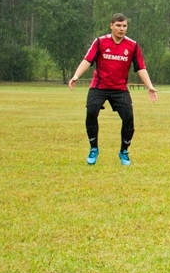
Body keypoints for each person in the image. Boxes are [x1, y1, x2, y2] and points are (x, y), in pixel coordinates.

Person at [68, 13, 158, 166]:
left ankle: (124, 151)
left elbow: (140, 67)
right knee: (91, 112)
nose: (121, 29)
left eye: (124, 26)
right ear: (111, 25)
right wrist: (76, 75)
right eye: (118, 25)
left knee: (129, 119)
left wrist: (150, 86)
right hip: (99, 86)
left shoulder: (132, 46)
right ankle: (94, 148)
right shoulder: (100, 42)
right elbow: (87, 60)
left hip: (120, 89)